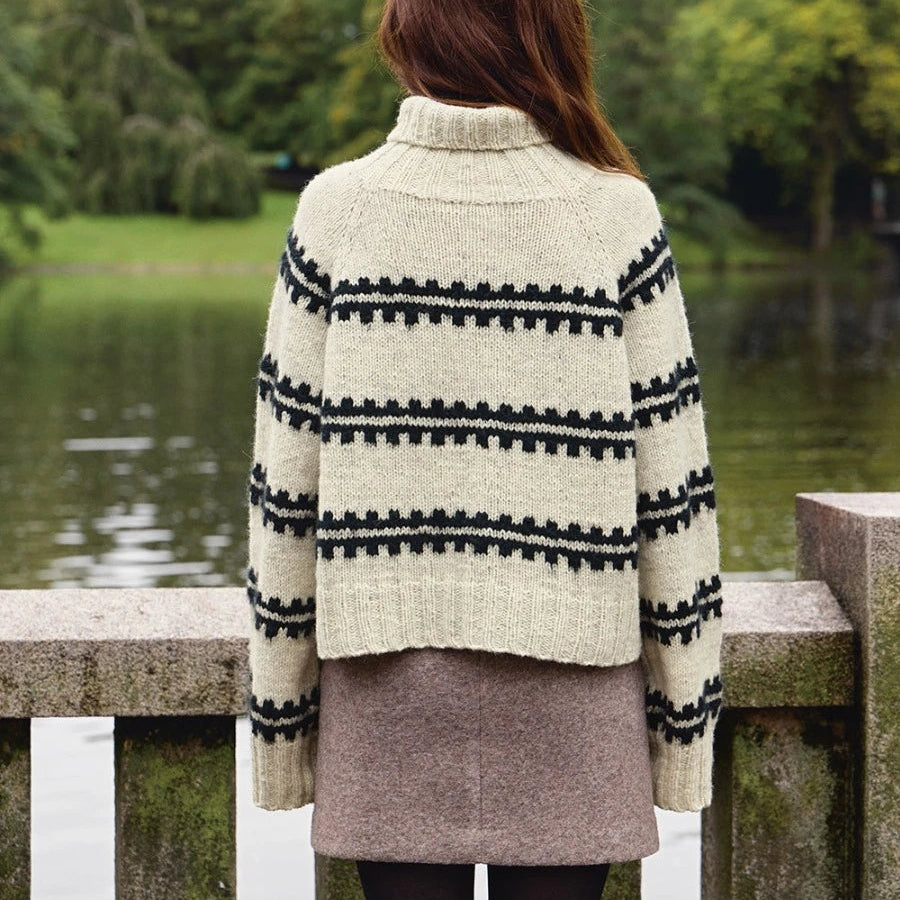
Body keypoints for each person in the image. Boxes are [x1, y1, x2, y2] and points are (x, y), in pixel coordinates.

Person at [245, 1, 724, 897]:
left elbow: (285, 496)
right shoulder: (616, 212)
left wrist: (281, 725)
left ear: (408, 36)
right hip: (574, 687)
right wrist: (686, 728)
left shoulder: (336, 210)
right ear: (552, 34)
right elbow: (675, 495)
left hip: (386, 689)